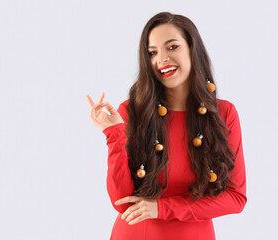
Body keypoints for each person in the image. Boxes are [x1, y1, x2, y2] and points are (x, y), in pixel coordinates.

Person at [86, 12, 247, 240]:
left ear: (192, 49)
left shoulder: (223, 114)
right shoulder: (132, 112)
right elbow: (122, 203)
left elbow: (236, 198)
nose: (161, 59)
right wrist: (113, 134)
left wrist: (162, 208)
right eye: (152, 52)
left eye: (172, 47)